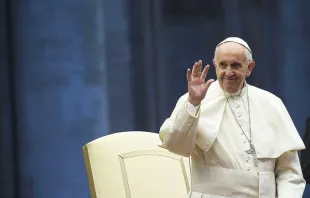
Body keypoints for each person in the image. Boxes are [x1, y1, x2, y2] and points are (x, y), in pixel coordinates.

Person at [159, 37, 306, 198]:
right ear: (215, 64)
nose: (228, 72)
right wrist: (193, 103)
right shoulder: (194, 100)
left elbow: (289, 173)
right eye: (223, 65)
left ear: (249, 67)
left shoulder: (271, 103)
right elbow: (176, 146)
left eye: (235, 65)